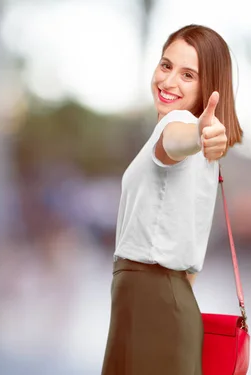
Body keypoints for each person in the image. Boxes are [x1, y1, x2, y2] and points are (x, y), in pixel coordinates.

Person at [101, 24, 243, 375]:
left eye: (188, 75)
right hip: (159, 300)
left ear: (207, 87)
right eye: (166, 66)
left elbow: (174, 143)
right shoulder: (197, 152)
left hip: (151, 304)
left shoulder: (178, 125)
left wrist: (197, 133)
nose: (169, 82)